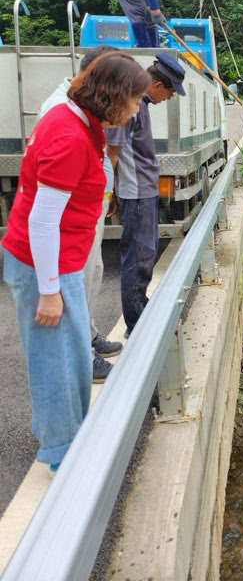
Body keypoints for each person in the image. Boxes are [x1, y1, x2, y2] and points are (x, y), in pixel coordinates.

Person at [2, 53, 151, 476]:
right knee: (59, 364)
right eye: (136, 100)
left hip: (57, 261)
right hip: (45, 266)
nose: (138, 109)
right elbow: (43, 219)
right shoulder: (69, 134)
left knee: (68, 356)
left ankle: (64, 437)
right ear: (114, 95)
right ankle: (64, 460)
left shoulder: (79, 120)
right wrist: (49, 292)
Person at [38, 46, 123, 383]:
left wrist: (107, 191)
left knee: (94, 271)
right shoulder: (60, 113)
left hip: (91, 209)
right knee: (78, 278)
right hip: (74, 219)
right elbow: (44, 211)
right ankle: (81, 356)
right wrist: (47, 289)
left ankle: (87, 337)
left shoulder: (81, 111)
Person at [106, 53, 186, 337]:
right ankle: (136, 321)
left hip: (142, 190)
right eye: (171, 91)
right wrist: (109, 190)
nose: (170, 98)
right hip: (137, 192)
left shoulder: (141, 104)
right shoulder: (131, 104)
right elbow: (113, 151)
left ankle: (140, 306)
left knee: (147, 250)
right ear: (159, 84)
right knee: (138, 257)